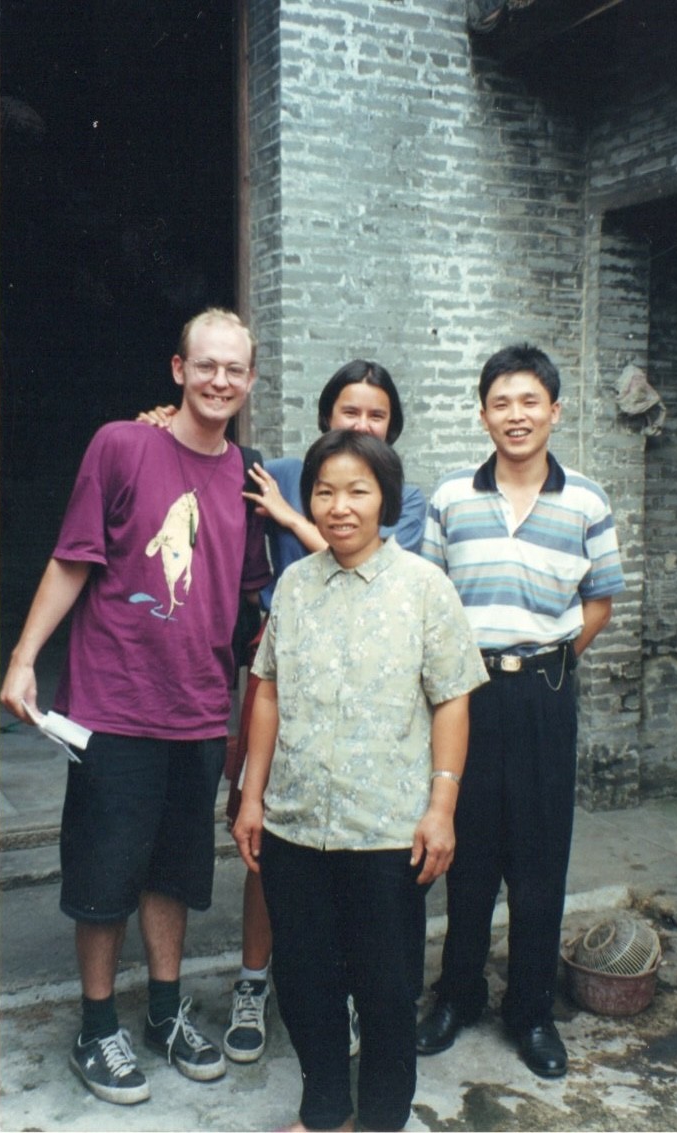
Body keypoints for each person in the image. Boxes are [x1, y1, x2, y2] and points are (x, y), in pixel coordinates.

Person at [0, 308, 272, 1105]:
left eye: (235, 368)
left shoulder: (247, 477)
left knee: (174, 875)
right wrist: (21, 660)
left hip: (196, 712)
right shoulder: (121, 444)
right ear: (177, 369)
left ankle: (160, 1010)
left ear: (251, 381)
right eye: (206, 364)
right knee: (102, 874)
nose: (220, 379)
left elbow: (255, 601)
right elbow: (70, 560)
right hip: (114, 704)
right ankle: (94, 1024)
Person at [173, 359, 429, 1064]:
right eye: (349, 410)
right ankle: (254, 980)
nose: (360, 423)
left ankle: (344, 992)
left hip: (369, 688)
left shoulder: (399, 493)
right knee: (269, 839)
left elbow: (362, 560)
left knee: (350, 848)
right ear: (324, 416)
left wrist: (289, 518)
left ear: (391, 429)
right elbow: (199, 459)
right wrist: (157, 423)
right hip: (280, 671)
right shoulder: (278, 468)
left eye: (376, 414)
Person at [231, 428, 486, 1132]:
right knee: (306, 982)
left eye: (356, 490)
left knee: (384, 988)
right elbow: (268, 691)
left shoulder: (423, 588)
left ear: (384, 500)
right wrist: (252, 797)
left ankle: (377, 1119)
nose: (338, 506)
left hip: (385, 830)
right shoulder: (293, 584)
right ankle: (322, 1112)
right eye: (323, 491)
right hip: (294, 821)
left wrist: (442, 807)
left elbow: (451, 699)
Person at [414, 344, 624, 1080]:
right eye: (500, 402)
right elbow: (430, 599)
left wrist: (555, 656)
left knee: (538, 857)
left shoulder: (586, 501)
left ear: (553, 411)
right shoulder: (449, 499)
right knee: (465, 852)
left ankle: (530, 1009)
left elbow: (597, 601)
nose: (515, 415)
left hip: (543, 693)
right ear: (481, 414)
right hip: (465, 694)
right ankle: (457, 993)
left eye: (528, 401)